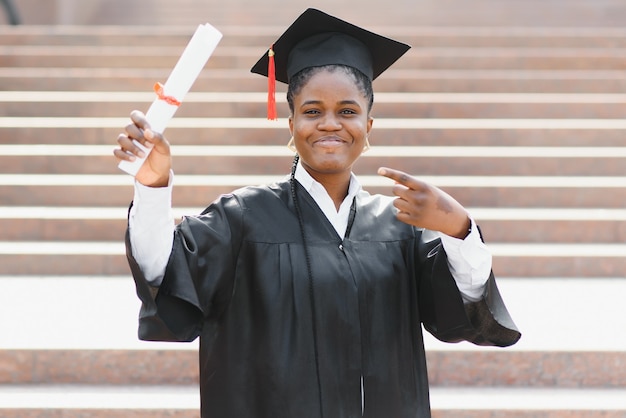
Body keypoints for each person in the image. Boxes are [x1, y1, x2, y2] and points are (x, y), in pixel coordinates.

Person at [113, 8, 520, 418]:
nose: (330, 124)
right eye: (312, 111)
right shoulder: (242, 218)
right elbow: (163, 273)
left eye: (347, 111)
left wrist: (459, 228)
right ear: (291, 123)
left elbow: (463, 311)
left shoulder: (400, 227)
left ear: (368, 126)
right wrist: (152, 186)